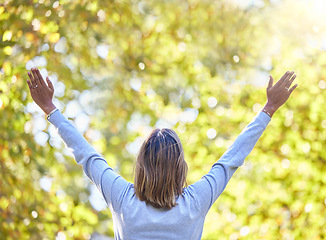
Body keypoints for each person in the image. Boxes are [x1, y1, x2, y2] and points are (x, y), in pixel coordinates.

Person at [27, 68, 297, 240]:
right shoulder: (195, 202)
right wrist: (268, 109)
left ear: (141, 165)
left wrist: (51, 109)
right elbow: (231, 159)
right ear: (181, 167)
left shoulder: (122, 199)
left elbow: (87, 156)